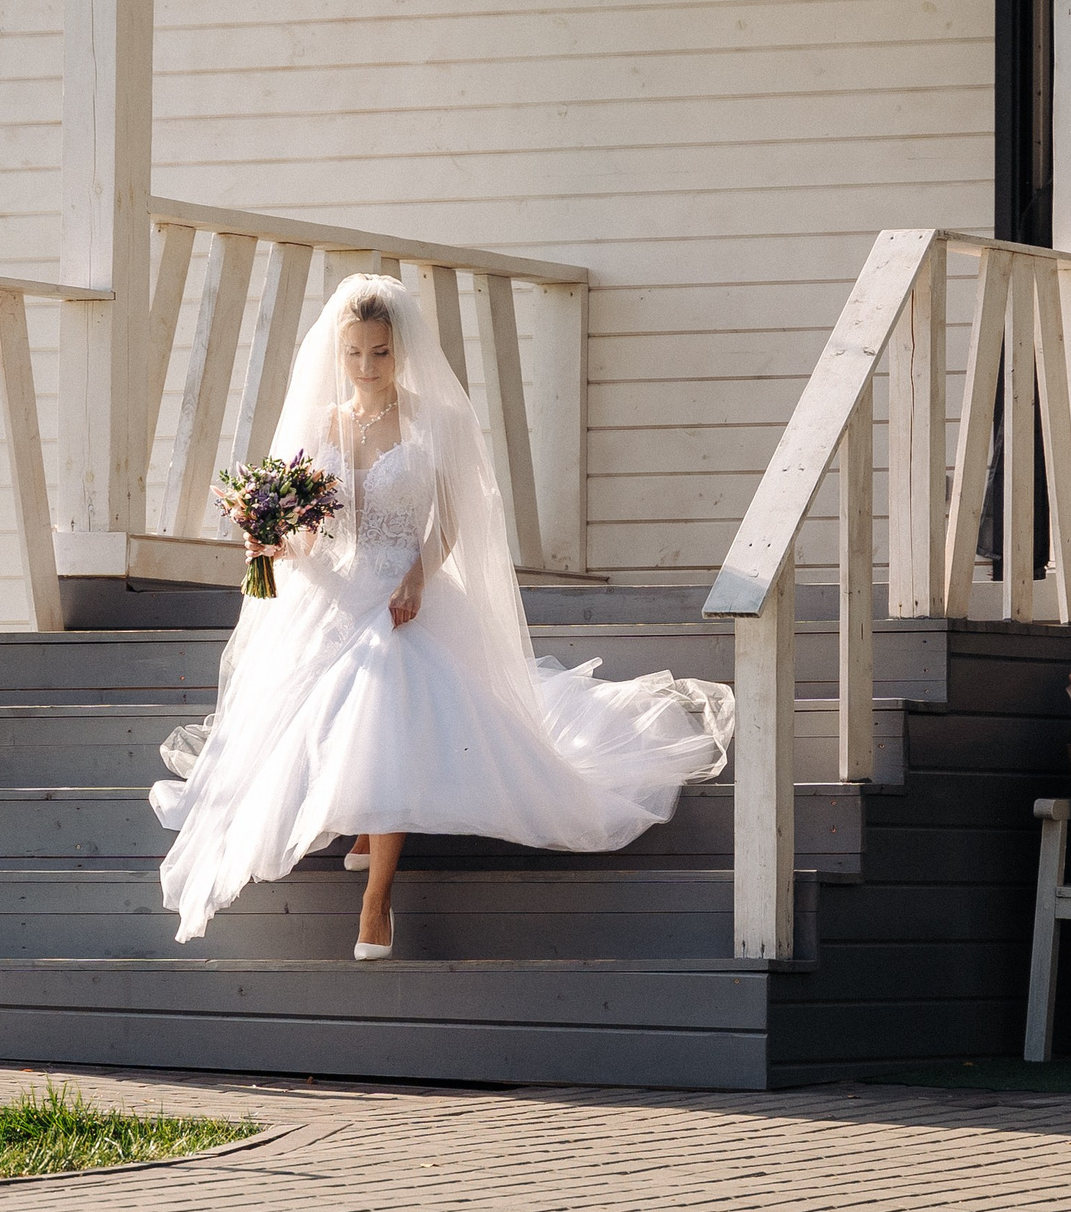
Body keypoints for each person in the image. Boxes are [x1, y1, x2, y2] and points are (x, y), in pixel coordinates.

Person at [152, 273, 736, 956]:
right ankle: (368, 829)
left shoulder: (438, 421)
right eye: (353, 353)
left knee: (386, 683)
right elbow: (309, 532)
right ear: (336, 353)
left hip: (405, 589)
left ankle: (377, 901)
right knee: (337, 694)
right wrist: (273, 541)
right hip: (334, 588)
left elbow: (458, 516)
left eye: (379, 352)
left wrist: (417, 577)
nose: (366, 367)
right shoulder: (321, 425)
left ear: (401, 349)